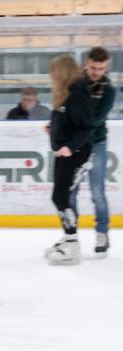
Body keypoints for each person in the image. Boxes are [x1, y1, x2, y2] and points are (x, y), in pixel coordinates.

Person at [44, 54, 95, 265]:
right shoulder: (65, 94)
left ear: (63, 72)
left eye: (54, 72)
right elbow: (68, 121)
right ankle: (68, 237)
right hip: (64, 152)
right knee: (59, 196)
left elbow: (87, 127)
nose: (51, 76)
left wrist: (69, 146)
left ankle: (72, 243)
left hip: (75, 154)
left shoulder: (77, 93)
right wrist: (54, 130)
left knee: (60, 197)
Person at [68, 47, 116, 256]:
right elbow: (65, 108)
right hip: (75, 145)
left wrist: (76, 128)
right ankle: (71, 235)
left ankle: (102, 233)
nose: (97, 72)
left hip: (96, 144)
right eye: (94, 67)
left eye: (102, 68)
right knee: (70, 192)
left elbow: (96, 120)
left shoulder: (109, 91)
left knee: (97, 192)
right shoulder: (75, 85)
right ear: (87, 63)